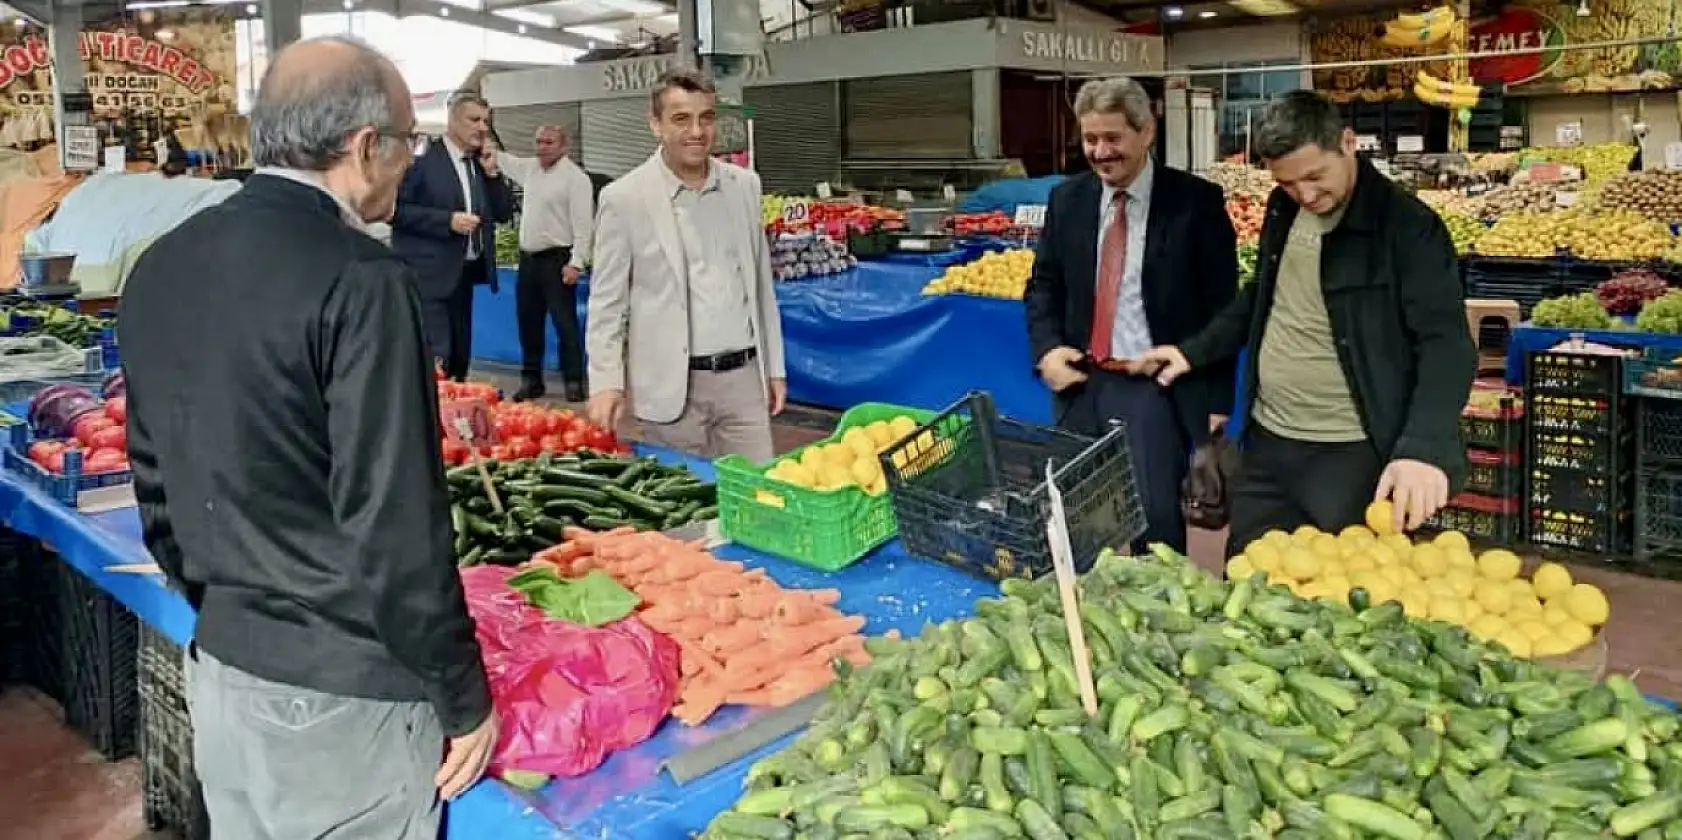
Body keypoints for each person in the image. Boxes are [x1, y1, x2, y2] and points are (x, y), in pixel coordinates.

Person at [117, 36, 497, 838]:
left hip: (223, 675)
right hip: (344, 706)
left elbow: (154, 484)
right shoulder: (362, 280)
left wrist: (234, 609)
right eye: (406, 143)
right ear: (365, 147)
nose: (408, 164)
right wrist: (465, 697)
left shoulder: (160, 266)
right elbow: (396, 529)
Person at [1136, 90, 1476, 554]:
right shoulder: (1284, 208)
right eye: (1290, 183)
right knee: (1248, 577)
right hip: (1269, 443)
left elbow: (1445, 343)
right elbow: (1263, 297)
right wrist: (1193, 350)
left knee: (1338, 598)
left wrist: (1423, 447)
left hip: (1351, 453)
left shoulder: (1407, 228)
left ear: (1349, 143)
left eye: (1316, 176)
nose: (1307, 194)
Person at [1023, 76, 1238, 555]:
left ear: (1147, 132)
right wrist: (1047, 351)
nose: (1100, 152)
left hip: (1152, 391)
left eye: (1113, 138)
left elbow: (1223, 308)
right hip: (1080, 385)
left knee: (1154, 525)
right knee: (1076, 517)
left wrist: (1217, 402)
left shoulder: (1195, 204)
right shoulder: (1068, 200)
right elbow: (1044, 286)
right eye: (1090, 139)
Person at [585, 69, 787, 461]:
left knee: (757, 500)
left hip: (743, 383)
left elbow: (761, 286)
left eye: (706, 118)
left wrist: (773, 367)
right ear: (655, 125)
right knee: (683, 512)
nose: (697, 131)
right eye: (681, 119)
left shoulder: (745, 186)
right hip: (671, 388)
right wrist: (606, 382)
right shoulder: (624, 198)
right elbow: (607, 304)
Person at [392, 89, 512, 381]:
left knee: (460, 356)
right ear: (453, 121)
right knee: (437, 358)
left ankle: (455, 416)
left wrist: (493, 175)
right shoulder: (421, 161)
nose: (483, 128)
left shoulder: (479, 164)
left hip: (465, 275)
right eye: (475, 120)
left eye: (486, 121)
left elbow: (503, 212)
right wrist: (447, 221)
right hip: (428, 277)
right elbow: (394, 211)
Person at [497, 125, 595, 403]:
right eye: (538, 141)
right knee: (528, 323)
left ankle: (574, 380)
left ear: (564, 146)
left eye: (548, 142)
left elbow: (583, 226)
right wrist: (484, 145)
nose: (541, 147)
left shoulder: (575, 179)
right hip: (528, 260)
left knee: (565, 325)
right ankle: (531, 380)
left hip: (557, 260)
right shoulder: (530, 169)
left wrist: (576, 263)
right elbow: (505, 161)